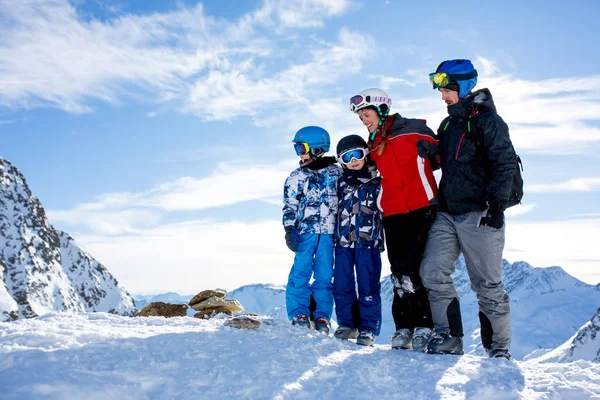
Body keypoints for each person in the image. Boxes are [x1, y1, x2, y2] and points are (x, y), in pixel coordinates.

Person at [419, 59, 516, 359]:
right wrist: (432, 153)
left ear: (463, 87)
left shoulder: (488, 122)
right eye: (441, 91)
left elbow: (505, 162)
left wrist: (497, 206)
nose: (443, 96)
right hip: (448, 212)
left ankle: (498, 349)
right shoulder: (448, 124)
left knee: (487, 284)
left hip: (480, 213)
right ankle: (449, 336)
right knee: (432, 272)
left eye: (447, 90)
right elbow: (447, 165)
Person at [349, 88, 439, 351]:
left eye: (366, 114)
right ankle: (403, 328)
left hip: (423, 206)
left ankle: (424, 325)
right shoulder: (373, 144)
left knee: (414, 268)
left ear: (381, 109)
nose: (364, 120)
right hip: (392, 212)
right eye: (361, 117)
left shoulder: (414, 130)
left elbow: (441, 157)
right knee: (398, 271)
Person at [282, 126, 342, 334]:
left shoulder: (336, 172)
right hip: (305, 232)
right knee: (300, 272)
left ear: (317, 149)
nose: (299, 154)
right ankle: (300, 312)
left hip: (329, 233)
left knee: (325, 274)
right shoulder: (296, 176)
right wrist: (289, 229)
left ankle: (322, 315)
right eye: (297, 149)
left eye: (302, 148)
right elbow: (290, 204)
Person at [333, 134, 384, 346]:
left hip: (369, 242)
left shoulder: (377, 181)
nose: (353, 160)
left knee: (368, 285)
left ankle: (368, 328)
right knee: (342, 283)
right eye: (347, 157)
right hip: (343, 241)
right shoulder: (340, 184)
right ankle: (347, 324)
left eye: (357, 154)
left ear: (365, 154)